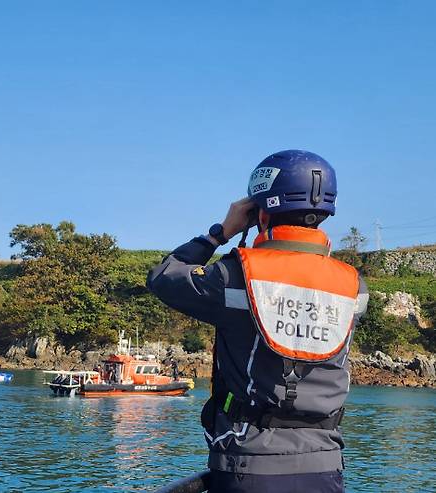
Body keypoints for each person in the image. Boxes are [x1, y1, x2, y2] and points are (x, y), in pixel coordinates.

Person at [147, 150, 369, 493]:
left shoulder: (235, 275)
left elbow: (164, 276)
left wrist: (220, 232)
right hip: (325, 466)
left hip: (248, 464)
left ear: (260, 213)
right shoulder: (354, 286)